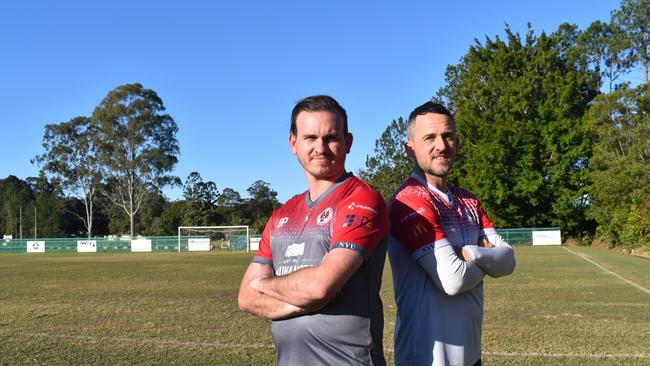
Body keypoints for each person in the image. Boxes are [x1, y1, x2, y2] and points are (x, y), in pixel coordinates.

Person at [238, 95, 389, 365]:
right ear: (293, 143)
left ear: (348, 142)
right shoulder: (282, 214)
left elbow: (321, 287)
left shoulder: (362, 199)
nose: (320, 147)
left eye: (330, 137)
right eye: (310, 138)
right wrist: (299, 302)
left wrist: (265, 285)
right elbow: (246, 297)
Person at [388, 101, 516, 366]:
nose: (441, 146)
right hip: (425, 358)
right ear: (410, 149)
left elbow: (509, 262)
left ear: (457, 142)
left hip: (471, 355)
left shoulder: (468, 200)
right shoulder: (408, 200)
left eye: (448, 136)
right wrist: (487, 260)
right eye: (429, 138)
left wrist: (470, 253)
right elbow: (453, 280)